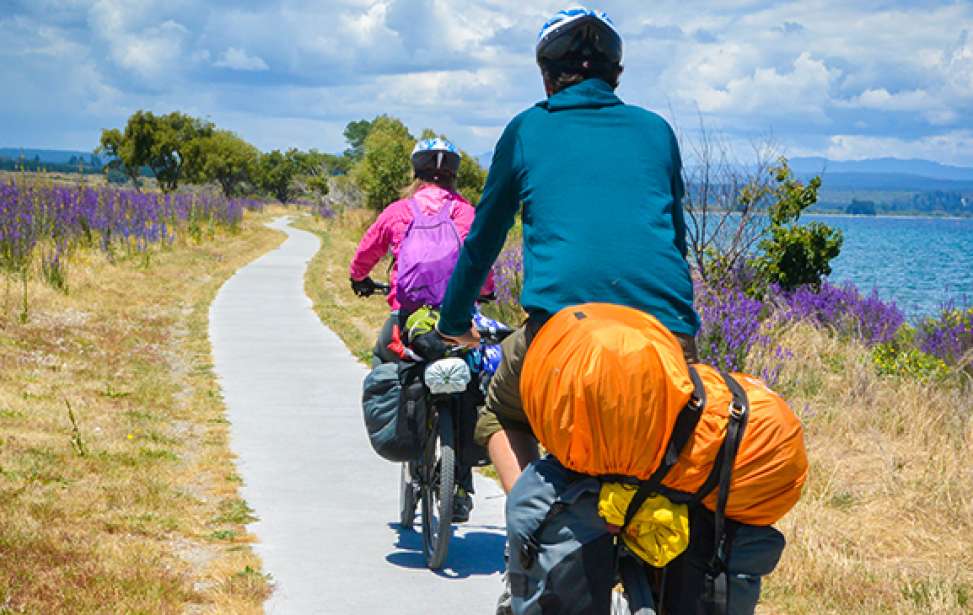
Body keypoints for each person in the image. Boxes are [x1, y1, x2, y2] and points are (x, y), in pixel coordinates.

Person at [434, 7, 703, 612]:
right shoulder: (657, 131)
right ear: (618, 73)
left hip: (565, 344)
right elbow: (676, 244)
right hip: (666, 341)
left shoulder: (529, 129)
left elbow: (482, 244)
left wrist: (454, 323)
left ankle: (532, 537)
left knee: (495, 412)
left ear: (545, 75)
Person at [349, 137, 492, 521]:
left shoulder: (399, 211)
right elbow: (482, 261)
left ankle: (404, 432)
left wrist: (358, 278)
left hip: (409, 318)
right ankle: (460, 484)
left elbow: (366, 253)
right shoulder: (466, 213)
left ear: (416, 173)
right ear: (453, 177)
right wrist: (488, 291)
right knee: (471, 383)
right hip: (457, 321)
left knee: (386, 358)